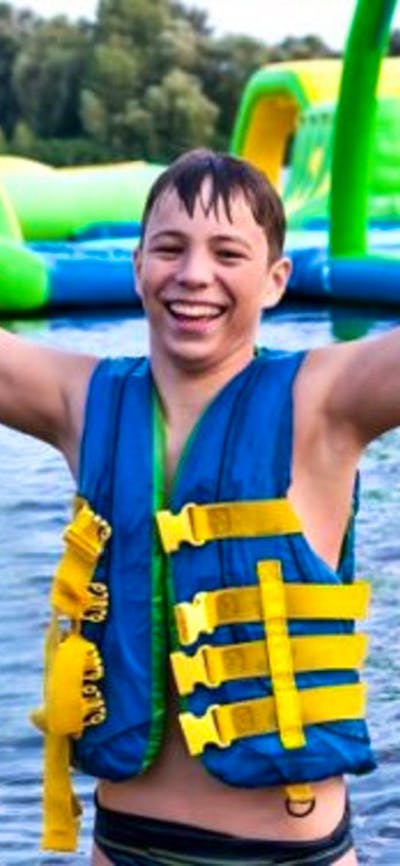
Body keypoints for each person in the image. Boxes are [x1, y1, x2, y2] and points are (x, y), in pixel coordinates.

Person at [1, 147, 399, 866]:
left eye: (227, 253)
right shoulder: (78, 401)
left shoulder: (328, 401)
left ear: (277, 280)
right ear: (136, 268)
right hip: (126, 847)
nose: (193, 275)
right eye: (170, 248)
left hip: (289, 853)